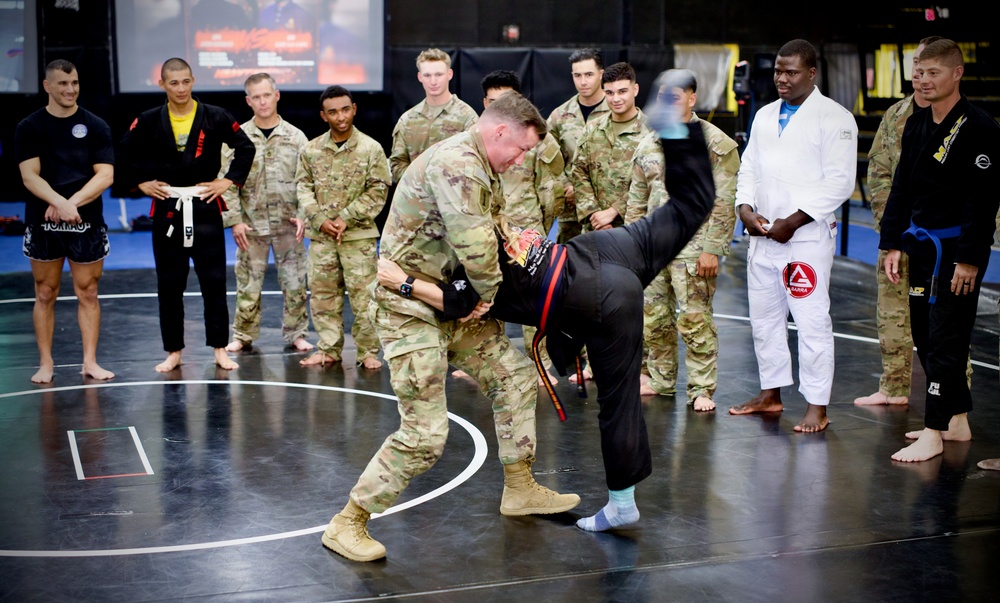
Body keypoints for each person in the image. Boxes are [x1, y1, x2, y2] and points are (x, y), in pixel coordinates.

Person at [376, 83, 716, 532]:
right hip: (598, 250)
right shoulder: (491, 218)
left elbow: (463, 300)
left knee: (619, 401)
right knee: (690, 207)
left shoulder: (472, 254)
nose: (520, 162)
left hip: (597, 295)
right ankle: (679, 131)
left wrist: (403, 282)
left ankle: (622, 504)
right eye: (521, 151)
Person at [321, 92, 579, 563]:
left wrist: (483, 292)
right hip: (412, 309)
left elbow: (500, 234)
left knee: (515, 378)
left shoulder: (483, 164)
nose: (521, 159)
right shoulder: (459, 163)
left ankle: (520, 488)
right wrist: (486, 296)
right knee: (425, 435)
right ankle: (348, 522)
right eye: (520, 149)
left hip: (453, 302)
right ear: (499, 131)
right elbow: (479, 252)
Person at [879, 39, 1000, 462]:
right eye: (919, 72)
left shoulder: (981, 128)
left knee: (947, 338)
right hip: (921, 247)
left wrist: (969, 259)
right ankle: (957, 420)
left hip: (956, 251)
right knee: (924, 335)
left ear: (957, 74)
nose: (923, 80)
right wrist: (892, 242)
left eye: (933, 73)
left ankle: (933, 431)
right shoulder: (916, 123)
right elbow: (901, 188)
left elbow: (982, 202)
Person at [729, 39, 858, 432]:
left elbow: (840, 183)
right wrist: (744, 209)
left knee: (811, 322)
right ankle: (770, 394)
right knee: (764, 321)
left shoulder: (835, 118)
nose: (781, 79)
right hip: (763, 236)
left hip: (804, 239)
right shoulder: (765, 114)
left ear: (811, 73)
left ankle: (817, 405)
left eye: (791, 72)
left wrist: (795, 221)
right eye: (777, 71)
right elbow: (748, 167)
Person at [119, 57, 256, 372]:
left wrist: (227, 180)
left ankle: (220, 350)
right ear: (162, 84)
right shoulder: (149, 119)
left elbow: (245, 148)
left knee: (214, 282)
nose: (180, 88)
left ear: (193, 81)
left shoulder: (215, 115)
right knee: (169, 285)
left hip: (204, 205)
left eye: (185, 81)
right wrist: (141, 183)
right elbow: (123, 152)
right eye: (173, 83)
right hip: (168, 208)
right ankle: (174, 351)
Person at [626, 70, 740, 410]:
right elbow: (636, 200)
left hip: (694, 247)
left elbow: (725, 201)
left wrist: (712, 249)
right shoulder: (649, 141)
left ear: (692, 98)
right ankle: (661, 380)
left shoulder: (715, 144)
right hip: (653, 246)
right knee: (654, 317)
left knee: (695, 319)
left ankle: (701, 389)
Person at [854, 37, 953, 407]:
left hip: (941, 239)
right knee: (891, 314)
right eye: (915, 64)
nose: (919, 73)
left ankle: (952, 400)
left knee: (943, 323)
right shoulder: (897, 115)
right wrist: (891, 229)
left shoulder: (961, 120)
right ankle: (893, 388)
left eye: (928, 67)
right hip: (898, 234)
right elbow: (879, 174)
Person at [15, 59, 115, 384]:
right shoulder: (29, 127)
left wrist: (70, 204)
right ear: (47, 86)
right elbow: (30, 176)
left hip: (85, 220)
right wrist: (58, 202)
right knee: (45, 292)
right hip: (44, 221)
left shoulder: (96, 125)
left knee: (89, 291)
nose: (70, 89)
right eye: (62, 84)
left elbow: (106, 175)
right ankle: (46, 363)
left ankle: (90, 362)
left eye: (74, 83)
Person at [481, 69, 566, 383]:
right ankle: (489, 365)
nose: (498, 106)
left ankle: (540, 365)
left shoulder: (537, 138)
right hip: (487, 228)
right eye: (492, 101)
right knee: (487, 295)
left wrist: (539, 226)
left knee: (535, 300)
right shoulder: (474, 134)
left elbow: (551, 189)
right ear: (484, 103)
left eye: (505, 100)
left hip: (527, 228)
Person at [296, 85, 388, 369]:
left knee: (365, 297)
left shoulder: (371, 149)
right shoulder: (311, 150)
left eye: (345, 109)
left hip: (358, 237)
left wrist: (346, 217)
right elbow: (302, 188)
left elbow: (378, 190)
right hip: (322, 238)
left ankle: (368, 352)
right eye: (333, 112)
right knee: (323, 297)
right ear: (323, 116)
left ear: (354, 109)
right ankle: (328, 349)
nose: (341, 117)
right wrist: (319, 219)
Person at [221, 73, 312, 354]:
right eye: (256, 97)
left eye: (267, 95)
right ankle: (243, 334)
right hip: (251, 226)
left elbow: (308, 181)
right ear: (248, 101)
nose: (263, 102)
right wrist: (234, 221)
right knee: (248, 284)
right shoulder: (237, 138)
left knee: (295, 283)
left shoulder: (296, 137)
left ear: (277, 95)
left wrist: (303, 215)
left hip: (289, 226)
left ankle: (297, 333)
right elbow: (226, 183)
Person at [572, 61, 651, 233]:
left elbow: (654, 181)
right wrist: (594, 214)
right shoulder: (592, 129)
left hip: (635, 229)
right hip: (595, 228)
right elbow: (579, 172)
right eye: (609, 93)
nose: (616, 99)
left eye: (622, 91)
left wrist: (615, 210)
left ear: (635, 90)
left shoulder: (652, 133)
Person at [547, 48, 610, 244]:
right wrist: (566, 185)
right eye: (577, 75)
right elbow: (548, 157)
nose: (583, 82)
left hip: (607, 210)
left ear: (601, 74)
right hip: (571, 211)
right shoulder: (560, 116)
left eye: (589, 75)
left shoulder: (615, 110)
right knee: (568, 257)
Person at [388, 48, 478, 184]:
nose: (433, 81)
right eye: (427, 75)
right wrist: (419, 185)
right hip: (416, 194)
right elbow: (397, 162)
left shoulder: (467, 117)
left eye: (439, 74)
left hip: (454, 194)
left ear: (449, 74)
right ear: (420, 77)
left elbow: (475, 162)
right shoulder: (407, 120)